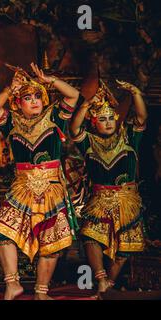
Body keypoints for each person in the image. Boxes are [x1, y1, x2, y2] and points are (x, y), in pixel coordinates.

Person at [0, 63, 80, 300]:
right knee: (3, 232)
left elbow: (74, 95)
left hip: (51, 188)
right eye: (28, 98)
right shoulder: (11, 122)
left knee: (53, 241)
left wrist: (50, 80)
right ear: (18, 102)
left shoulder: (56, 117)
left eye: (38, 96)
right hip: (22, 188)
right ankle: (12, 284)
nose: (35, 101)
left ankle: (41, 291)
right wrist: (10, 89)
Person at [69, 80, 147, 296]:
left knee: (125, 246)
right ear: (94, 123)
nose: (108, 122)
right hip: (100, 199)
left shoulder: (129, 136)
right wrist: (86, 105)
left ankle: (109, 285)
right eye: (102, 119)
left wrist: (135, 92)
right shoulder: (89, 142)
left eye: (111, 117)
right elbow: (74, 128)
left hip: (127, 200)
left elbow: (141, 118)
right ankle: (100, 278)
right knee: (91, 236)